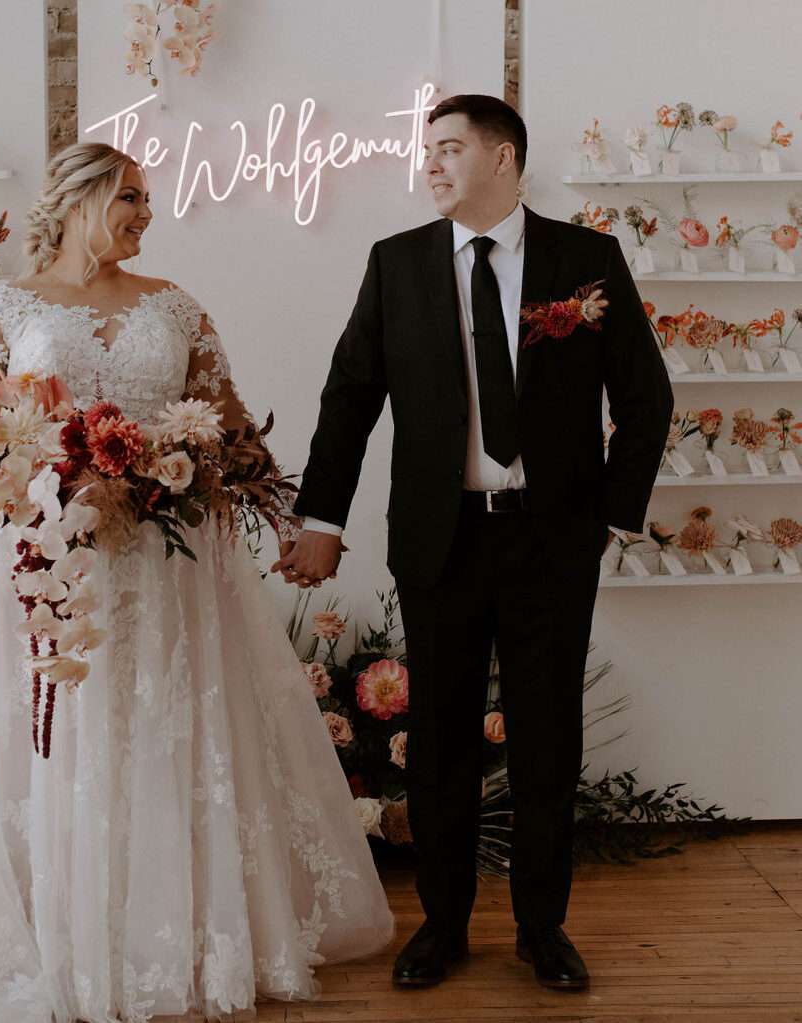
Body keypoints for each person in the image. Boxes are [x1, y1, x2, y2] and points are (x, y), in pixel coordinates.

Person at [0, 142, 395, 1023]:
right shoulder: (1, 310)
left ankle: (163, 931)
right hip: (49, 566)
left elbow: (226, 426)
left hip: (166, 566)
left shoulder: (176, 307)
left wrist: (250, 500)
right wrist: (53, 484)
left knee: (160, 726)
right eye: (133, 198)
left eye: (149, 199)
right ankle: (48, 926)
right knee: (61, 735)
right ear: (81, 198)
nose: (148, 214)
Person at [275, 94, 673, 992]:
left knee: (545, 740)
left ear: (503, 158)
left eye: (449, 149)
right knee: (441, 740)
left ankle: (543, 930)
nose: (432, 165)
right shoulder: (396, 264)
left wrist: (608, 515)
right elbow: (350, 400)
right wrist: (321, 522)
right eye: (428, 152)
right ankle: (441, 928)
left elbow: (646, 397)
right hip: (439, 539)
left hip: (551, 541)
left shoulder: (586, 260)